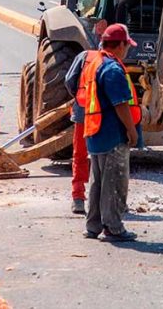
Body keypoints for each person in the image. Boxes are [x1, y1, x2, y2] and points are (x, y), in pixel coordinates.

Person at [80, 24, 142, 242]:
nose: (128, 50)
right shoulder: (113, 69)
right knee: (114, 182)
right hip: (112, 134)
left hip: (95, 133)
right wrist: (132, 131)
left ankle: (93, 225)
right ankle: (113, 228)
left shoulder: (95, 63)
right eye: (127, 45)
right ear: (121, 44)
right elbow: (121, 105)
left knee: (97, 182)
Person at [65, 49, 93, 215]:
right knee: (104, 159)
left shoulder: (85, 56)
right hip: (105, 116)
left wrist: (79, 97)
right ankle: (109, 199)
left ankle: (78, 199)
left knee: (79, 155)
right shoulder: (114, 61)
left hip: (83, 112)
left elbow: (69, 81)